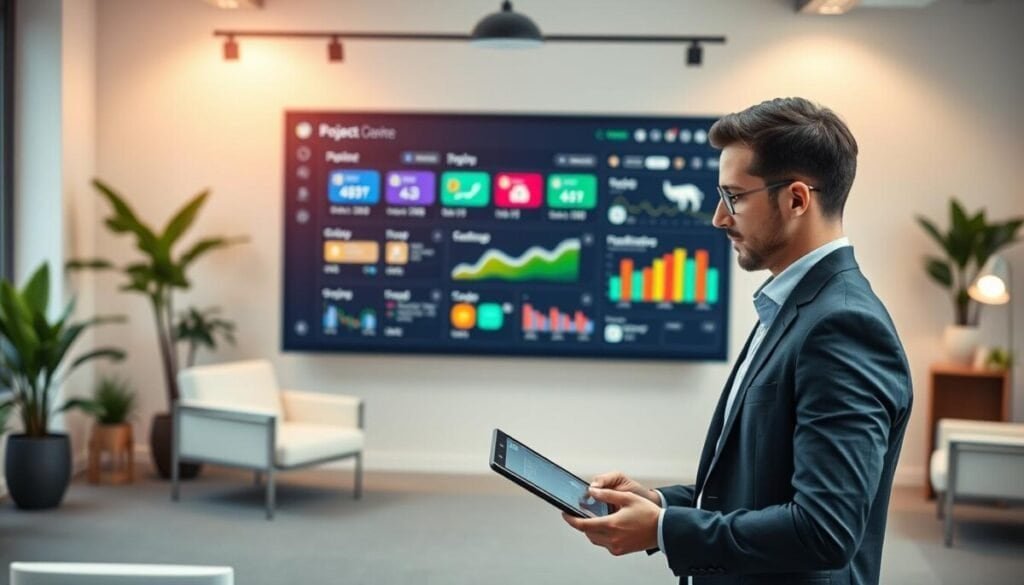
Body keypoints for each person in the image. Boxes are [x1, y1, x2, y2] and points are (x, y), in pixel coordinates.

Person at [563, 97, 913, 585]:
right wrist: (660, 503)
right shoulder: (796, 304)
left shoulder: (843, 326)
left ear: (796, 199)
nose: (718, 218)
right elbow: (762, 487)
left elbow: (825, 530)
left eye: (733, 197)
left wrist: (664, 530)